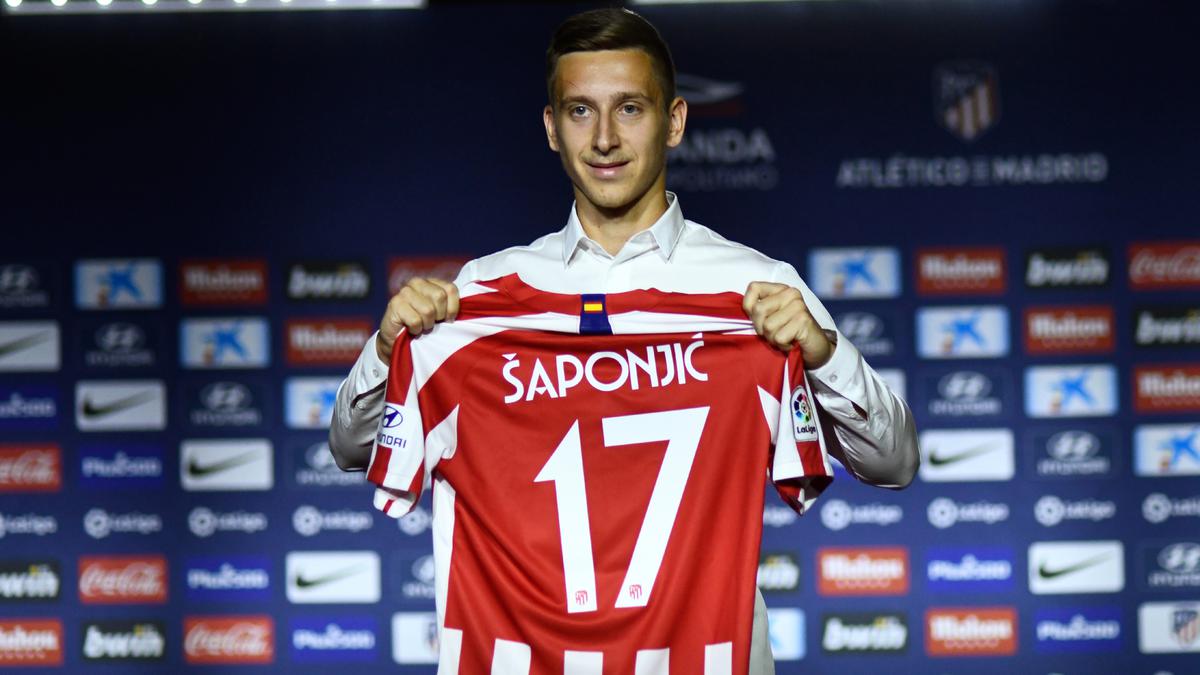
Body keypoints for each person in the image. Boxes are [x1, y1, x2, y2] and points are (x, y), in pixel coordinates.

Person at [329, 8, 918, 674]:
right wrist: (388, 351)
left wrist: (825, 353)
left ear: (675, 121)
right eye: (580, 111)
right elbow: (351, 447)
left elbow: (894, 462)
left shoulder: (754, 291)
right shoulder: (478, 299)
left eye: (630, 109)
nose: (605, 138)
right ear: (551, 128)